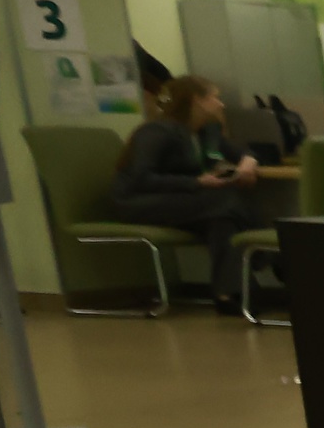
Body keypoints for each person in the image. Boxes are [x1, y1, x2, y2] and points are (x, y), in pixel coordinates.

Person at [109, 73, 263, 314]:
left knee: (222, 220)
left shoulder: (206, 132)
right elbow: (142, 178)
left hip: (181, 202)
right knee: (225, 201)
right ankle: (270, 258)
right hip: (138, 203)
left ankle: (229, 294)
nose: (221, 104)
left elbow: (242, 152)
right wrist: (196, 182)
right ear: (197, 100)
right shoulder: (156, 131)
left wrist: (247, 163)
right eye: (214, 98)